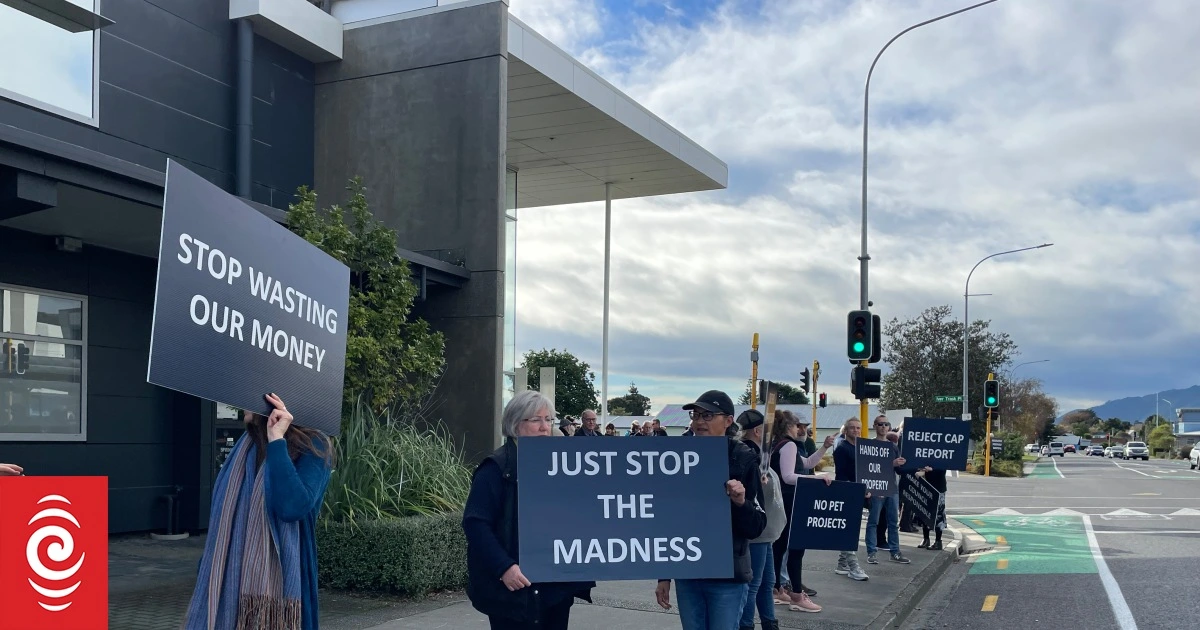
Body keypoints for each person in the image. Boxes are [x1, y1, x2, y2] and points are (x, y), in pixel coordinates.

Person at [183, 393, 334, 630]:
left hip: (285, 585)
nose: (242, 401)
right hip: (227, 586)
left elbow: (292, 507)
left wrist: (277, 441)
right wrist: (209, 571)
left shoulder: (315, 444)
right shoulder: (245, 447)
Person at [463, 391, 594, 629]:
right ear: (515, 423)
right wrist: (504, 567)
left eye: (548, 419)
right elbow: (475, 523)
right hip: (514, 588)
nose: (545, 427)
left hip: (555, 587)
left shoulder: (563, 465)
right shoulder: (495, 468)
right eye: (536, 420)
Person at [655, 390, 766, 630]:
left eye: (707, 416)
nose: (698, 422)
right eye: (695, 416)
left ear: (728, 421)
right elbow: (669, 520)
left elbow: (757, 525)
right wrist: (664, 574)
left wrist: (740, 502)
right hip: (688, 572)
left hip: (727, 575)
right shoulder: (677, 458)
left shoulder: (744, 458)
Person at [769, 410, 833, 612]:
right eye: (799, 425)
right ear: (791, 426)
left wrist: (824, 447)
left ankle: (777, 588)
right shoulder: (788, 445)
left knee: (779, 546)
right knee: (796, 547)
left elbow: (806, 464)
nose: (801, 429)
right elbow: (789, 476)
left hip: (782, 500)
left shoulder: (780, 444)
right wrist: (817, 478)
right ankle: (796, 594)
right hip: (791, 500)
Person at [736, 409, 785, 630]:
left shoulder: (759, 454)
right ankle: (747, 625)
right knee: (754, 584)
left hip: (766, 532)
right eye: (768, 431)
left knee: (766, 583)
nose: (772, 435)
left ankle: (769, 622)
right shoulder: (750, 456)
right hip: (758, 532)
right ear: (758, 431)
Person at [865, 415, 910, 565]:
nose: (883, 427)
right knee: (873, 521)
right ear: (875, 426)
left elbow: (899, 471)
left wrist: (912, 467)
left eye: (886, 424)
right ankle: (871, 552)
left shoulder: (893, 446)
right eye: (880, 424)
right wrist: (892, 463)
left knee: (893, 522)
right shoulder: (869, 446)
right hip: (876, 488)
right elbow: (869, 468)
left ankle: (895, 552)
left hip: (891, 488)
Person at [832, 417, 870, 581]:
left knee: (851, 528)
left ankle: (842, 564)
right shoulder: (842, 448)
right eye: (852, 428)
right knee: (849, 531)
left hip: (859, 492)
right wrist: (856, 490)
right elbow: (841, 475)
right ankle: (853, 567)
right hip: (847, 492)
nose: (856, 430)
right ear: (846, 431)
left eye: (858, 428)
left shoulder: (861, 448)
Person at [916, 466, 948, 550]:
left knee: (938, 514)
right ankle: (926, 539)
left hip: (938, 488)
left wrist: (932, 470)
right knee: (924, 512)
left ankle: (938, 541)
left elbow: (943, 468)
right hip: (926, 485)